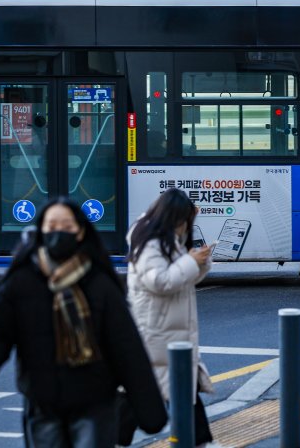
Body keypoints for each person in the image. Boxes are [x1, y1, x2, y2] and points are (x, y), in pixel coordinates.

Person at [0, 197, 167, 447]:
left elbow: (126, 346)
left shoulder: (99, 283)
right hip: (44, 404)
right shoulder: (21, 282)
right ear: (40, 231)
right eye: (52, 226)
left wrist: (149, 409)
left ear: (80, 232)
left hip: (95, 403)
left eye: (67, 226)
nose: (59, 233)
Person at [127, 188, 216, 447]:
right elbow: (160, 281)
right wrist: (190, 261)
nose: (186, 227)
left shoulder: (166, 236)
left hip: (170, 327)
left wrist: (200, 262)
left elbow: (184, 279)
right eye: (184, 221)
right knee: (149, 391)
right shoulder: (149, 242)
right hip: (157, 327)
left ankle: (201, 441)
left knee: (182, 386)